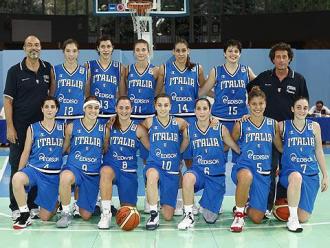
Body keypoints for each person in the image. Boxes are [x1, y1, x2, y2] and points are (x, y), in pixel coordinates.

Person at [247, 42, 309, 213]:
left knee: (288, 169)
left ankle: (283, 203)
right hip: (267, 132)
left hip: (290, 133)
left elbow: (303, 105)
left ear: (289, 59)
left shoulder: (299, 79)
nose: (281, 60)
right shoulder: (264, 77)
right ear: (273, 59)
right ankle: (265, 205)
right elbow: (251, 93)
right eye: (278, 57)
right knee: (269, 169)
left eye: (284, 56)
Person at [3, 35, 52, 221]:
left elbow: (51, 96)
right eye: (30, 44)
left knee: (36, 166)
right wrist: (10, 127)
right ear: (24, 48)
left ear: (41, 48)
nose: (34, 47)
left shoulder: (47, 68)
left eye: (37, 44)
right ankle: (16, 206)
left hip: (40, 129)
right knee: (18, 165)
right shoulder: (14, 71)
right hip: (20, 128)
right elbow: (8, 102)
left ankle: (32, 205)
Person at [157, 38, 205, 215]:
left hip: (192, 121)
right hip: (171, 122)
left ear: (188, 51)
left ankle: (191, 201)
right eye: (177, 50)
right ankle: (178, 200)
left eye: (183, 50)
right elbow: (158, 92)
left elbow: (202, 92)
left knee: (191, 162)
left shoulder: (197, 69)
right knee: (175, 162)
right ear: (173, 52)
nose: (180, 53)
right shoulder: (165, 69)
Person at [177, 98, 240, 230]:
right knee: (187, 177)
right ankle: (188, 215)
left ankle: (206, 203)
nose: (202, 112)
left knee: (210, 218)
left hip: (215, 176)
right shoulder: (189, 130)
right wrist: (174, 160)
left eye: (205, 108)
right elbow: (181, 150)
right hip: (198, 173)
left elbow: (234, 147)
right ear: (194, 111)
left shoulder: (220, 129)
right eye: (198, 108)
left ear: (210, 110)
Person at [230, 86, 282, 232]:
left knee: (257, 218)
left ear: (265, 104)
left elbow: (280, 147)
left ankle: (246, 206)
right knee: (246, 176)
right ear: (248, 105)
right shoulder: (240, 125)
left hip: (263, 173)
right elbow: (230, 143)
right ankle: (239, 215)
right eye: (254, 104)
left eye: (261, 103)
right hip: (244, 168)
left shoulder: (273, 124)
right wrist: (240, 151)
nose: (257, 107)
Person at [12, 96, 64, 229]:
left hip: (52, 175)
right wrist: (20, 171)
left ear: (57, 109)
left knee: (45, 217)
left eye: (52, 107)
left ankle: (56, 203)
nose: (49, 110)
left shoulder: (63, 128)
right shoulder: (33, 128)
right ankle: (24, 215)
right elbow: (26, 151)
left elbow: (67, 149)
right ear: (42, 109)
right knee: (17, 178)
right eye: (46, 106)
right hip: (34, 170)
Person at [97, 96, 150, 229]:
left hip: (129, 173)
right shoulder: (109, 127)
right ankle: (106, 213)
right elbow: (103, 149)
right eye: (121, 108)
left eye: (127, 108)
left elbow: (151, 149)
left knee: (128, 212)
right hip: (112, 167)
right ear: (116, 109)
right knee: (105, 172)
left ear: (131, 109)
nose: (124, 111)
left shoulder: (139, 129)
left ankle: (119, 207)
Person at [56, 96, 108, 228]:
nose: (93, 110)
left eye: (96, 108)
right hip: (75, 168)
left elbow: (104, 149)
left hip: (92, 173)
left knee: (86, 215)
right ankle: (65, 212)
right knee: (65, 177)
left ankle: (78, 203)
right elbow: (65, 148)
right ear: (84, 108)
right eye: (90, 107)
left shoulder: (104, 130)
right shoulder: (72, 126)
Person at [279, 97, 328, 232]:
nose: (302, 110)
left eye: (305, 108)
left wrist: (325, 175)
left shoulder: (314, 126)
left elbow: (318, 150)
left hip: (311, 174)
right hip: (290, 173)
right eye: (298, 107)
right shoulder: (282, 126)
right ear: (292, 109)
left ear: (308, 110)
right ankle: (292, 220)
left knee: (304, 217)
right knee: (296, 177)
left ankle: (294, 212)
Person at [141, 94, 189, 230]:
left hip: (171, 169)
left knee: (168, 215)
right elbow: (140, 130)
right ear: (155, 106)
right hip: (155, 164)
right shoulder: (149, 121)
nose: (163, 108)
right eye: (160, 105)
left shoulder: (179, 122)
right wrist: (150, 147)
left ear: (170, 106)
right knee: (151, 175)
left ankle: (161, 201)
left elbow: (190, 132)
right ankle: (153, 213)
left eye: (166, 105)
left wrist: (179, 152)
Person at [125, 39, 160, 213]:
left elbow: (158, 94)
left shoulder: (155, 71)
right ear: (133, 52)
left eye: (143, 50)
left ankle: (150, 196)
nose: (140, 52)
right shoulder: (127, 70)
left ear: (149, 51)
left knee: (148, 159)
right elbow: (123, 93)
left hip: (147, 119)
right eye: (137, 49)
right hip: (130, 119)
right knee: (128, 157)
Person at [86, 35, 126, 121]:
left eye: (108, 46)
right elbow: (86, 91)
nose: (106, 49)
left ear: (112, 48)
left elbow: (122, 95)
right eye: (102, 46)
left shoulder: (119, 67)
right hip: (93, 113)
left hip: (111, 114)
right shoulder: (89, 65)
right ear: (98, 48)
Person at [50, 38, 88, 120]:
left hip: (78, 116)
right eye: (68, 51)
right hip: (59, 116)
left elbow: (87, 96)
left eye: (74, 51)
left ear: (78, 52)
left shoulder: (85, 71)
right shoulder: (55, 70)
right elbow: (52, 96)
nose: (71, 54)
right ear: (63, 52)